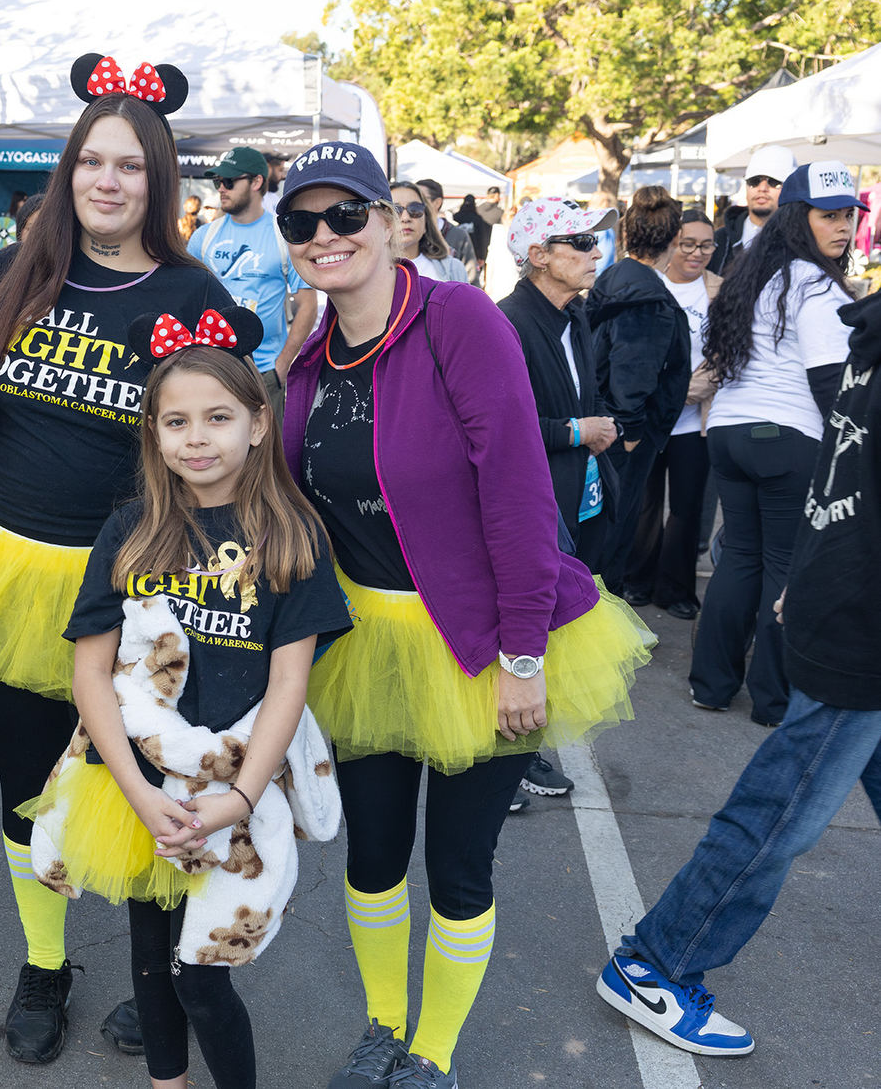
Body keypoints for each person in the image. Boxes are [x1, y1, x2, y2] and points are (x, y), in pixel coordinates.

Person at [274, 140, 650, 1089]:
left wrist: (524, 652)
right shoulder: (311, 353)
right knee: (371, 858)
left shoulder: (457, 317)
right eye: (302, 222)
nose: (326, 237)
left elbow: (521, 489)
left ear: (391, 223)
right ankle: (382, 1027)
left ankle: (432, 1053)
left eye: (345, 214)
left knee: (459, 865)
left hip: (484, 640)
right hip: (365, 645)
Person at [0, 51, 237, 1065]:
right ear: (66, 172)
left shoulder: (188, 290)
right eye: (90, 161)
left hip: (128, 590)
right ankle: (43, 964)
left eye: (129, 166)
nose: (106, 181)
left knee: (133, 780)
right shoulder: (16, 272)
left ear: (158, 180)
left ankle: (161, 970)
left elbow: (213, 445)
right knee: (27, 789)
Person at [31, 320, 352, 1089]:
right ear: (155, 432)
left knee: (200, 974)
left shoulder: (292, 535)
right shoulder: (131, 530)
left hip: (234, 784)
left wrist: (236, 798)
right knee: (150, 959)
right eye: (176, 421)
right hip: (137, 783)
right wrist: (140, 796)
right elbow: (91, 677)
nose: (196, 438)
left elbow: (288, 686)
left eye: (217, 417)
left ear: (258, 423)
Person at [597, 280, 881, 1060]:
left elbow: (841, 468)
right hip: (861, 628)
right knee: (782, 809)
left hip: (845, 597)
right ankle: (656, 962)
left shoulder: (861, 327)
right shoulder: (851, 324)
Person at [689, 162, 862, 728]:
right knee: (781, 569)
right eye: (828, 216)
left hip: (732, 433)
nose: (842, 228)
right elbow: (828, 383)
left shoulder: (753, 274)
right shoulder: (812, 284)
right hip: (786, 437)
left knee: (739, 558)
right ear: (796, 219)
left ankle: (711, 686)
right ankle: (773, 700)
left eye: (847, 217)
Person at [495, 196, 623, 811]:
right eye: (581, 243)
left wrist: (595, 434)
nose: (596, 253)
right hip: (528, 501)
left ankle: (517, 749)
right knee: (525, 626)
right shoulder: (508, 323)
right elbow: (497, 426)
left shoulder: (576, 315)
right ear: (539, 257)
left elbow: (584, 399)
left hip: (573, 490)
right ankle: (506, 761)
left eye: (596, 241)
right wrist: (579, 431)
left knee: (555, 621)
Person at [588, 185, 692, 594]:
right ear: (673, 240)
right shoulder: (647, 296)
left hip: (609, 426)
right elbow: (633, 373)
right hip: (621, 435)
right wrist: (630, 436)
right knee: (612, 535)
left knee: (603, 533)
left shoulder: (618, 276)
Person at [620, 210, 723, 619]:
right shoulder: (649, 286)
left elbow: (725, 353)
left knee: (687, 506)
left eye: (707, 245)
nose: (697, 253)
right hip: (648, 417)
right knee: (642, 502)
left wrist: (680, 394)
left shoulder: (720, 291)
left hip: (693, 419)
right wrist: (661, 398)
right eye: (688, 244)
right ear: (671, 244)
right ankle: (636, 579)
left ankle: (676, 587)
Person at [189, 146, 320, 433]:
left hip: (264, 373)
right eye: (218, 182)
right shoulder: (203, 237)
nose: (221, 189)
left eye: (229, 182)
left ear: (257, 182)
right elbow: (186, 299)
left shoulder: (282, 236)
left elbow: (308, 306)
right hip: (213, 369)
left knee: (268, 463)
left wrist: (283, 364)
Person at [709, 146, 796, 276]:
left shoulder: (801, 240)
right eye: (754, 181)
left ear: (791, 189)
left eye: (774, 182)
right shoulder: (719, 240)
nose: (762, 188)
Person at [390, 181, 464, 283]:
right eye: (396, 210)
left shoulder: (452, 268)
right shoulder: (368, 270)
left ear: (426, 220)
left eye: (415, 209)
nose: (405, 218)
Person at [415, 179, 478, 285]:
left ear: (437, 203)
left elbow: (471, 276)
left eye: (421, 199)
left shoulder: (457, 235)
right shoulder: (407, 235)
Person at [453, 194, 490, 265]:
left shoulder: (456, 218)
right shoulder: (477, 219)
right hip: (473, 251)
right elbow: (481, 238)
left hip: (457, 250)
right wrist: (482, 256)